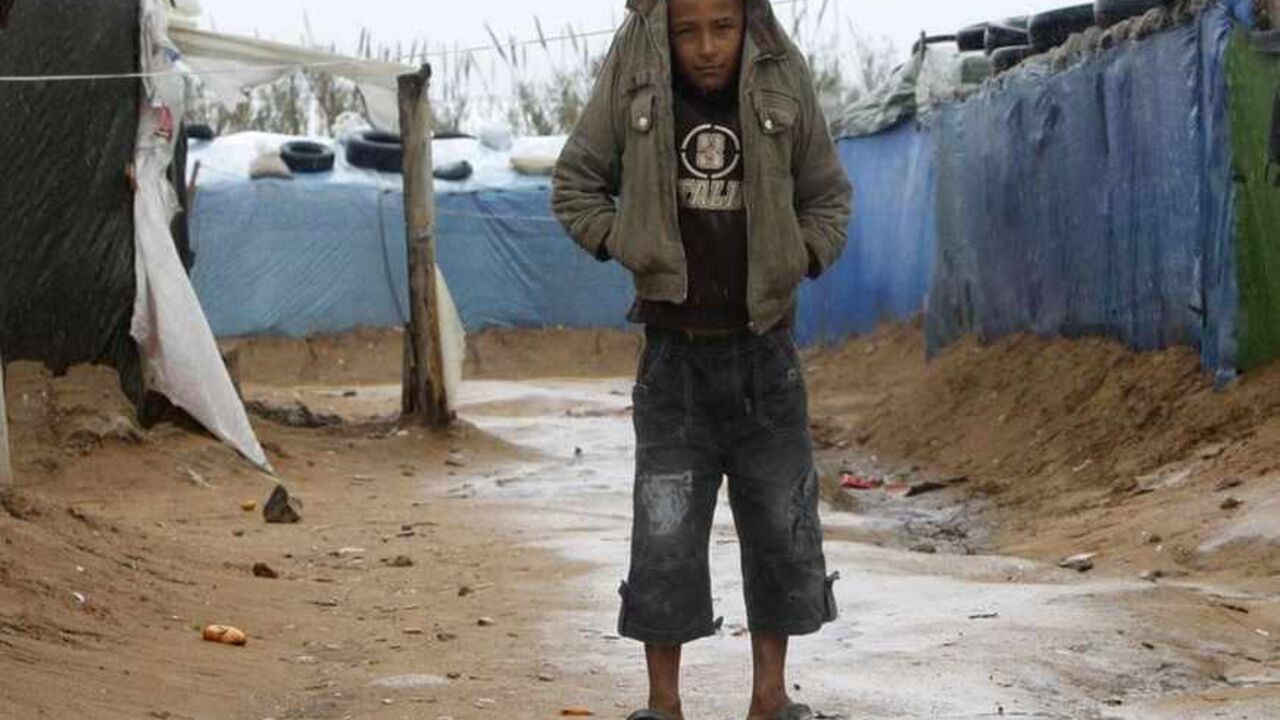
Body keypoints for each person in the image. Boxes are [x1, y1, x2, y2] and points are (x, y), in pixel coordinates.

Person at [552, 0, 852, 718]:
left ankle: (770, 700)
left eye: (722, 26)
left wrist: (797, 257)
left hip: (766, 358)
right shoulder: (632, 78)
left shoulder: (784, 75)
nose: (708, 47)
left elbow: (829, 197)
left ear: (747, 20)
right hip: (673, 365)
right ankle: (664, 706)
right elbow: (574, 186)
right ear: (666, 32)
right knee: (665, 537)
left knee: (781, 530)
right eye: (689, 31)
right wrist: (626, 243)